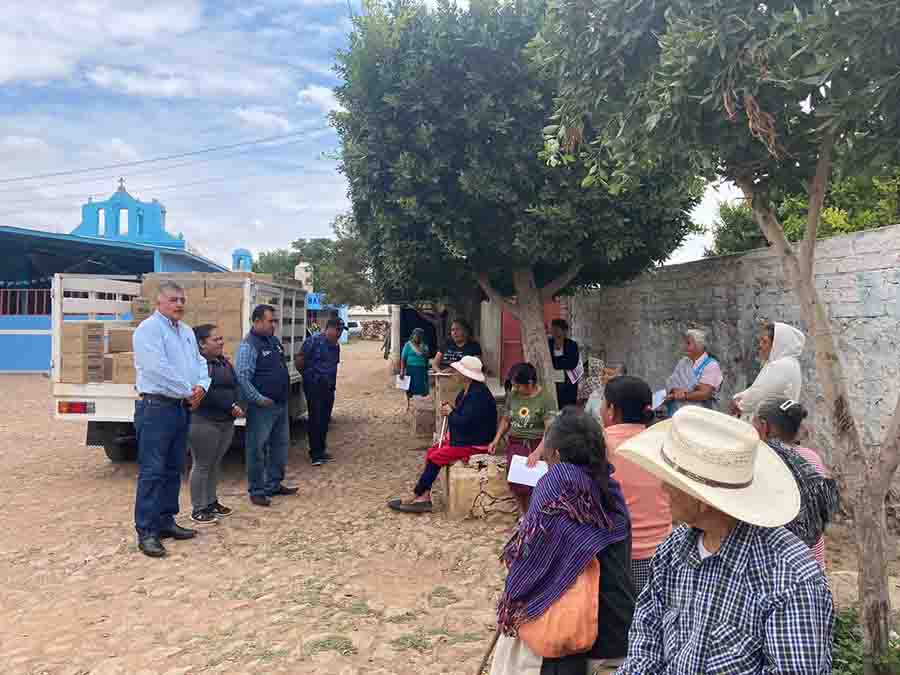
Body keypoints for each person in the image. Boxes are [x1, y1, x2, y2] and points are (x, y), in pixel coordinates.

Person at [615, 406, 834, 674]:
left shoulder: (789, 578)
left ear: (702, 498)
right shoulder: (674, 549)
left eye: (672, 480)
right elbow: (646, 635)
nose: (662, 487)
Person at [491, 409, 634, 675]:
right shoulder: (610, 489)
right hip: (620, 628)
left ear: (555, 453)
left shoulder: (555, 486)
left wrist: (512, 596)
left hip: (576, 634)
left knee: (510, 656)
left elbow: (529, 566)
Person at [132, 280, 210, 558]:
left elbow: (200, 363)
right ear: (159, 303)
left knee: (174, 467)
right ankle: (147, 532)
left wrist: (202, 386)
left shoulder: (186, 331)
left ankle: (166, 521)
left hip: (179, 408)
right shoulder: (148, 331)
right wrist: (188, 391)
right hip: (156, 408)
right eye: (173, 300)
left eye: (182, 300)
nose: (179, 304)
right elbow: (157, 369)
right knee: (152, 471)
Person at [388, 356, 497, 513]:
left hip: (475, 442)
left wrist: (451, 412)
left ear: (466, 376)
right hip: (466, 438)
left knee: (436, 456)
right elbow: (462, 417)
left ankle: (417, 493)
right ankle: (424, 496)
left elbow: (464, 421)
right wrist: (452, 411)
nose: (454, 373)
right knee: (432, 451)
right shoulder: (466, 392)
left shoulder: (478, 396)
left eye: (457, 371)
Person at [602, 376, 671, 595]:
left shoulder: (600, 443)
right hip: (663, 553)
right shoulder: (662, 442)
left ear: (612, 410)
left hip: (618, 555)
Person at [754, 398, 839, 569]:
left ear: (764, 427)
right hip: (812, 561)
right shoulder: (812, 458)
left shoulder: (762, 459)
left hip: (778, 566)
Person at [236, 304, 298, 507]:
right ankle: (257, 490)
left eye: (275, 321)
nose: (274, 325)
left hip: (279, 404)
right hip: (262, 407)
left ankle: (274, 483)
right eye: (270, 321)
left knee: (280, 446)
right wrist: (258, 399)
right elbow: (243, 378)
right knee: (257, 449)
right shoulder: (249, 345)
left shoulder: (273, 341)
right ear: (257, 321)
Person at [188, 324, 244, 525]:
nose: (221, 342)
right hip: (204, 421)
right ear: (202, 344)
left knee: (214, 463)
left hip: (224, 421)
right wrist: (230, 406)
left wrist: (235, 404)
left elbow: (234, 384)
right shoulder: (198, 366)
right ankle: (198, 507)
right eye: (216, 339)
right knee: (202, 464)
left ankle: (211, 502)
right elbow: (205, 394)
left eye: (221, 338)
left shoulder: (222, 363)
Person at [488, 363, 558, 514]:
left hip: (537, 443)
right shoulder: (513, 396)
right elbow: (506, 419)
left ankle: (535, 515)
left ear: (530, 383)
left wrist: (538, 452)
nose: (515, 389)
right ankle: (522, 514)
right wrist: (496, 439)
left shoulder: (546, 399)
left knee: (536, 484)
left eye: (518, 386)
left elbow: (550, 429)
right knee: (516, 482)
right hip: (516, 443)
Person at [731, 321, 805, 420]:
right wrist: (739, 397)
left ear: (777, 344)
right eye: (760, 341)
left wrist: (739, 403)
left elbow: (758, 394)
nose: (760, 345)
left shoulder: (781, 365)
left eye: (764, 341)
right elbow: (757, 389)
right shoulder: (789, 363)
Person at [298, 318, 342, 466]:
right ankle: (315, 454)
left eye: (341, 331)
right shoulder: (313, 341)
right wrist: (310, 377)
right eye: (337, 330)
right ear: (328, 329)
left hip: (329, 387)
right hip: (314, 387)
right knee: (315, 419)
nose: (339, 334)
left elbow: (334, 365)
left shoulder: (335, 346)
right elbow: (300, 360)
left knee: (324, 419)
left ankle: (321, 449)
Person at [663, 329, 722, 416]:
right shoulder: (683, 362)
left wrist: (684, 395)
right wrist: (675, 390)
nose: (684, 347)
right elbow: (672, 381)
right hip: (677, 412)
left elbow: (705, 393)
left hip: (699, 415)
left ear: (699, 345)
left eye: (688, 343)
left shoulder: (711, 365)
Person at [549, 319, 580, 409]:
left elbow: (572, 364)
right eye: (553, 330)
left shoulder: (572, 345)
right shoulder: (548, 343)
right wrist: (562, 362)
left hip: (568, 383)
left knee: (567, 407)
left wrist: (555, 363)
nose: (554, 333)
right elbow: (547, 361)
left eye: (557, 330)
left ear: (565, 331)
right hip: (552, 381)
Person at [400, 328, 430, 409]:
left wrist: (427, 370)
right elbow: (403, 358)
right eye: (416, 335)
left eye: (419, 336)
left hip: (421, 370)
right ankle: (408, 405)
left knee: (421, 388)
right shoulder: (408, 345)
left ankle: (420, 406)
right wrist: (402, 371)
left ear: (422, 337)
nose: (417, 337)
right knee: (409, 388)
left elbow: (427, 359)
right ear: (412, 336)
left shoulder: (424, 346)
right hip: (411, 370)